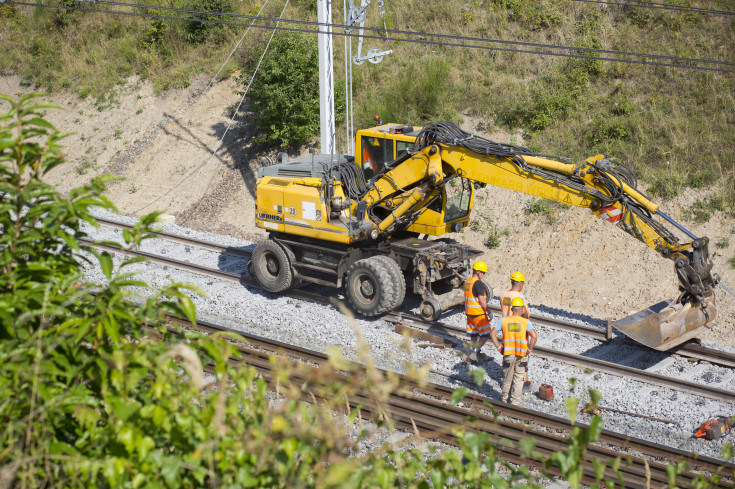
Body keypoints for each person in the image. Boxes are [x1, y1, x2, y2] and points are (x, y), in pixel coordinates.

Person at [490, 297, 538, 405]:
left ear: (512, 309)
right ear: (521, 309)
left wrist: (499, 347)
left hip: (508, 355)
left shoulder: (503, 320)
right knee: (518, 379)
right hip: (521, 355)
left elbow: (492, 333)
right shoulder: (525, 322)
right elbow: (534, 336)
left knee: (507, 378)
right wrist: (529, 349)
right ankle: (515, 402)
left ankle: (504, 400)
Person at [463, 260, 492, 363]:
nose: (484, 275)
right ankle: (475, 352)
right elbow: (481, 300)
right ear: (478, 272)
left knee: (474, 334)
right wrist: (488, 311)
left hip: (469, 313)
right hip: (478, 314)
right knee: (486, 334)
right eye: (483, 273)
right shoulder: (478, 283)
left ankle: (473, 352)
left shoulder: (467, 282)